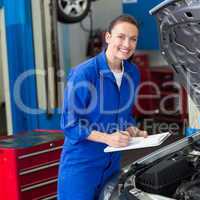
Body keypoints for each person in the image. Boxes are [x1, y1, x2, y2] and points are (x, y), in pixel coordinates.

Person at [58, 14, 147, 200]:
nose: (127, 44)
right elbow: (69, 124)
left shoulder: (132, 73)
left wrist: (133, 130)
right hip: (82, 165)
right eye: (121, 36)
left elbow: (124, 115)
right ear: (108, 37)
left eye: (133, 39)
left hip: (112, 164)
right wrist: (107, 138)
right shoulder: (85, 73)